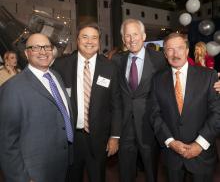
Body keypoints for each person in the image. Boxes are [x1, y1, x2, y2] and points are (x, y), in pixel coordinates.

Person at [52, 22, 121, 182]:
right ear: (77, 40)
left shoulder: (110, 67)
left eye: (94, 37)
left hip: (99, 139)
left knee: (98, 177)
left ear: (99, 41)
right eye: (85, 37)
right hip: (71, 138)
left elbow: (116, 105)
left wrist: (115, 137)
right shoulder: (61, 65)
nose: (89, 41)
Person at [0, 33, 74, 182]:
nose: (43, 52)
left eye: (47, 47)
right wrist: (21, 178)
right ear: (27, 53)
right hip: (34, 172)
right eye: (36, 48)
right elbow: (7, 142)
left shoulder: (56, 76)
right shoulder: (12, 88)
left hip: (62, 164)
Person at [150, 33, 220, 182]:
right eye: (170, 49)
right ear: (164, 53)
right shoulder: (157, 80)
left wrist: (199, 144)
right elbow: (155, 115)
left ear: (187, 51)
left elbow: (217, 113)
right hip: (172, 156)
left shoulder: (208, 76)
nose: (175, 54)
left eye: (180, 48)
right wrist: (170, 142)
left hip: (202, 155)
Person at [113, 18, 167, 182]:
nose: (132, 39)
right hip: (125, 127)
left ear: (143, 36)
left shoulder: (159, 59)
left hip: (149, 126)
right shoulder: (117, 61)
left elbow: (178, 75)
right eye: (127, 36)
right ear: (123, 40)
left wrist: (211, 80)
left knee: (151, 171)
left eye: (135, 34)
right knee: (125, 172)